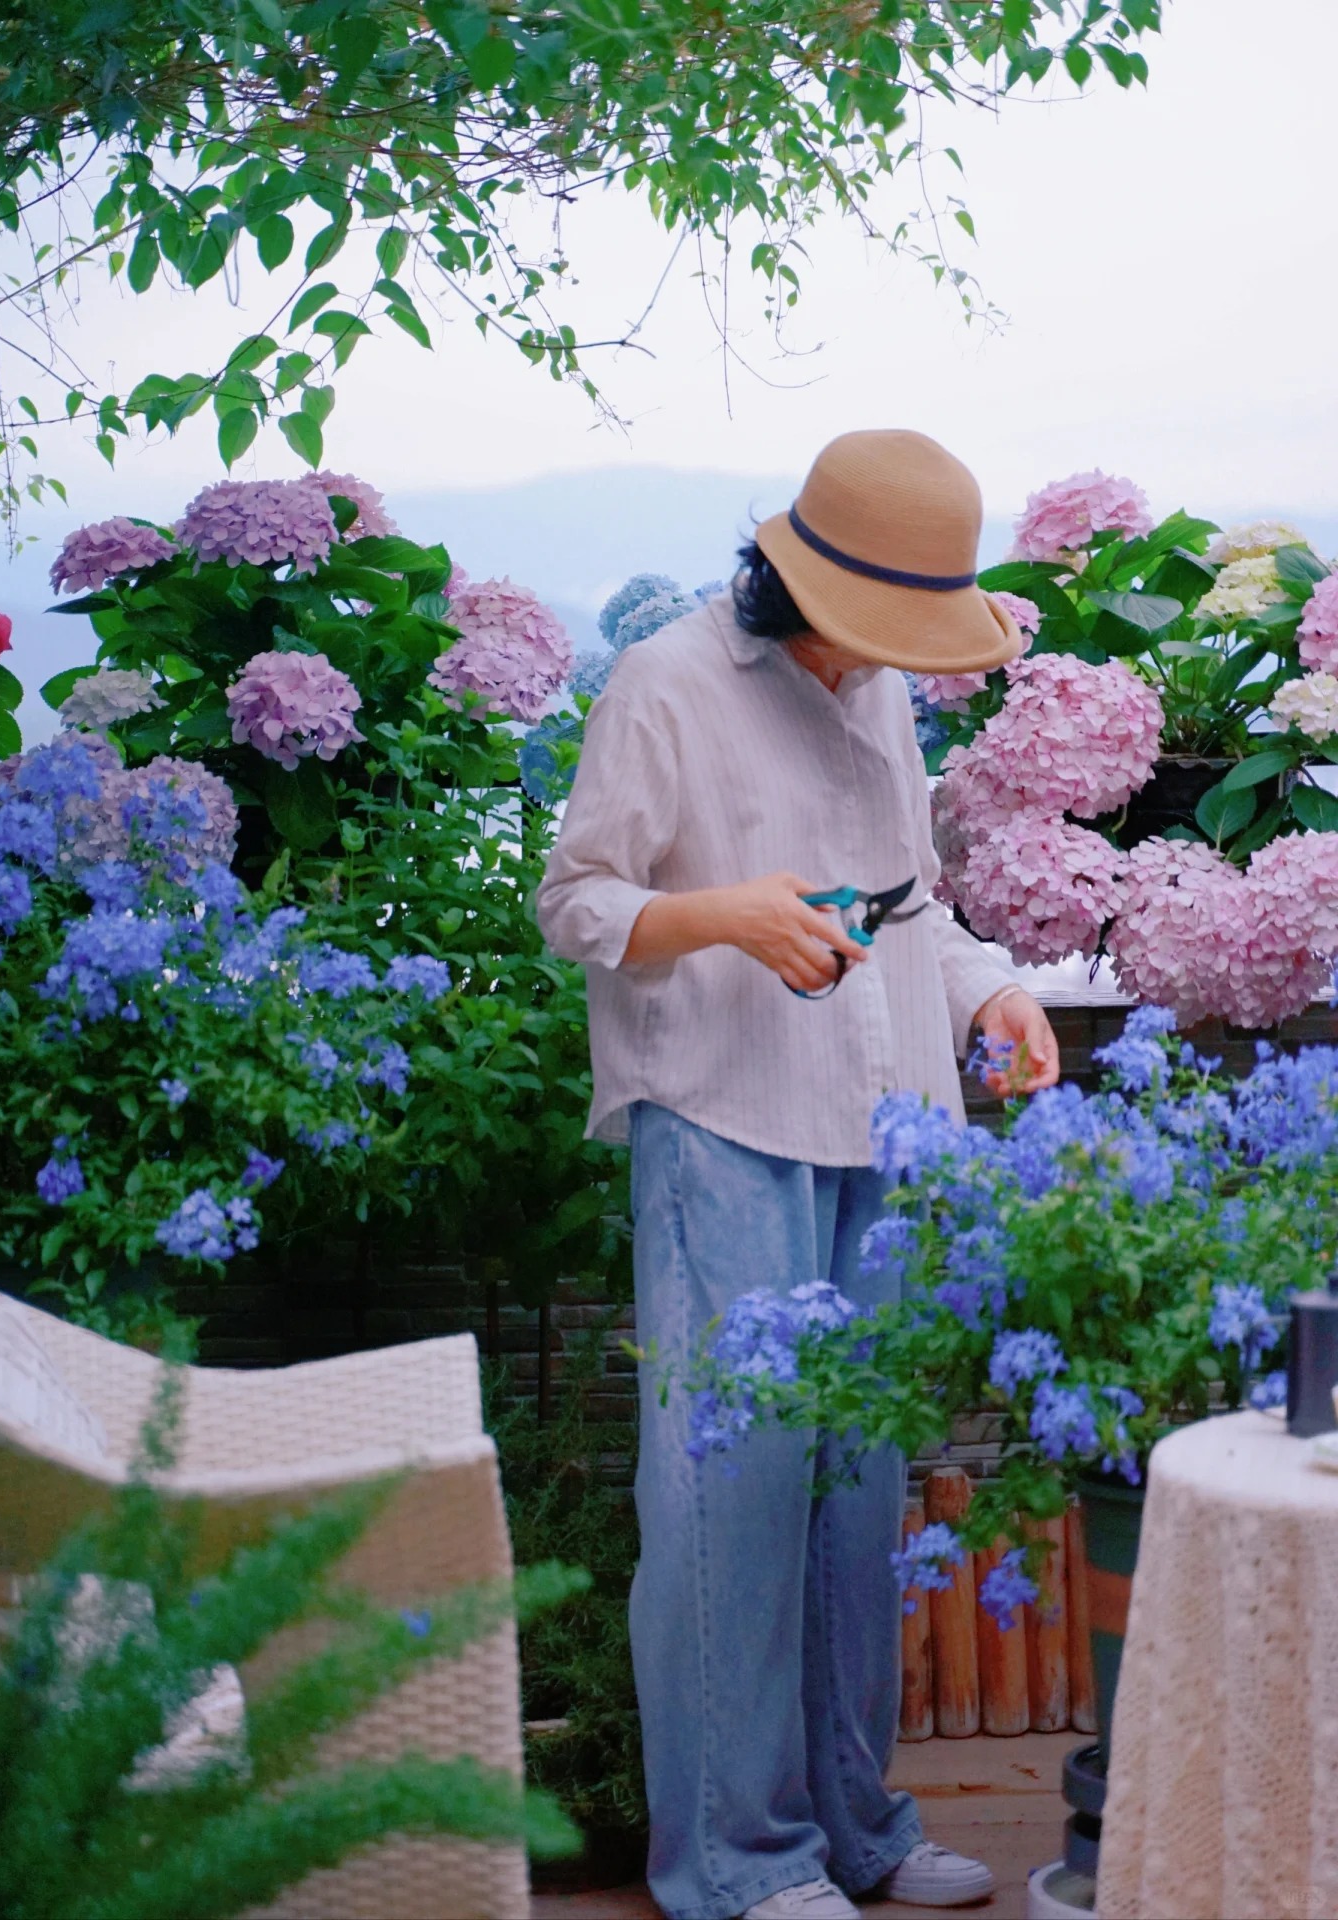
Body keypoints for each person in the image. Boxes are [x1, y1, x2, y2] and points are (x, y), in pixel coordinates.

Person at [536, 429, 1060, 1920]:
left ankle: (856, 1831)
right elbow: (577, 903)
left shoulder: (877, 685)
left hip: (882, 1121)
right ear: (792, 576)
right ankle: (736, 1861)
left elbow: (917, 906)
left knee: (857, 1486)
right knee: (733, 1496)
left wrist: (991, 995)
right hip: (722, 1117)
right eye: (871, 619)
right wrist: (721, 919)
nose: (888, 654)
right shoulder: (668, 684)